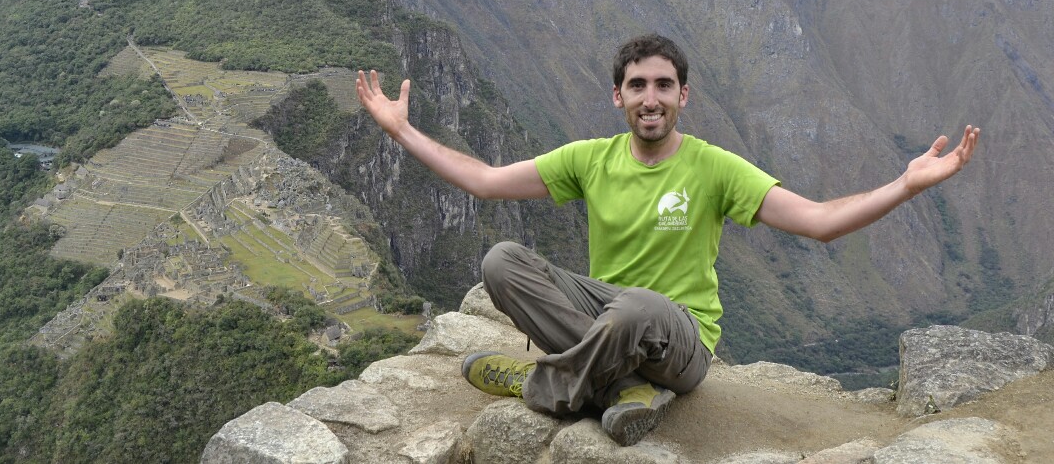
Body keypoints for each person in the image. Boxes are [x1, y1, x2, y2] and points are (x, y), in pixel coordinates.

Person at [356, 33, 979, 446]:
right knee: (501, 262)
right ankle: (616, 386)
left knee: (637, 306)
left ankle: (543, 383)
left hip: (680, 340)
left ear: (683, 95)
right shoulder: (591, 159)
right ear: (618, 97)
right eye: (637, 86)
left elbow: (819, 222)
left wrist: (906, 184)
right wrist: (401, 132)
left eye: (662, 85)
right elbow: (487, 182)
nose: (649, 98)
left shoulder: (714, 167)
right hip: (609, 314)